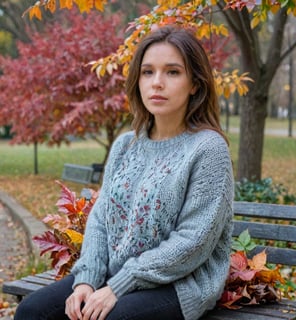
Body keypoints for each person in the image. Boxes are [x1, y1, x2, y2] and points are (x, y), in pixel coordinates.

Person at [14, 25, 234, 320]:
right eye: (147, 72)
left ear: (195, 83)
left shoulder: (208, 149)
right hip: (114, 277)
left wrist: (119, 285)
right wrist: (87, 280)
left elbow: (192, 242)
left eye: (172, 72)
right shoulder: (124, 145)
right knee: (32, 312)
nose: (157, 83)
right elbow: (101, 219)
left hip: (180, 284)